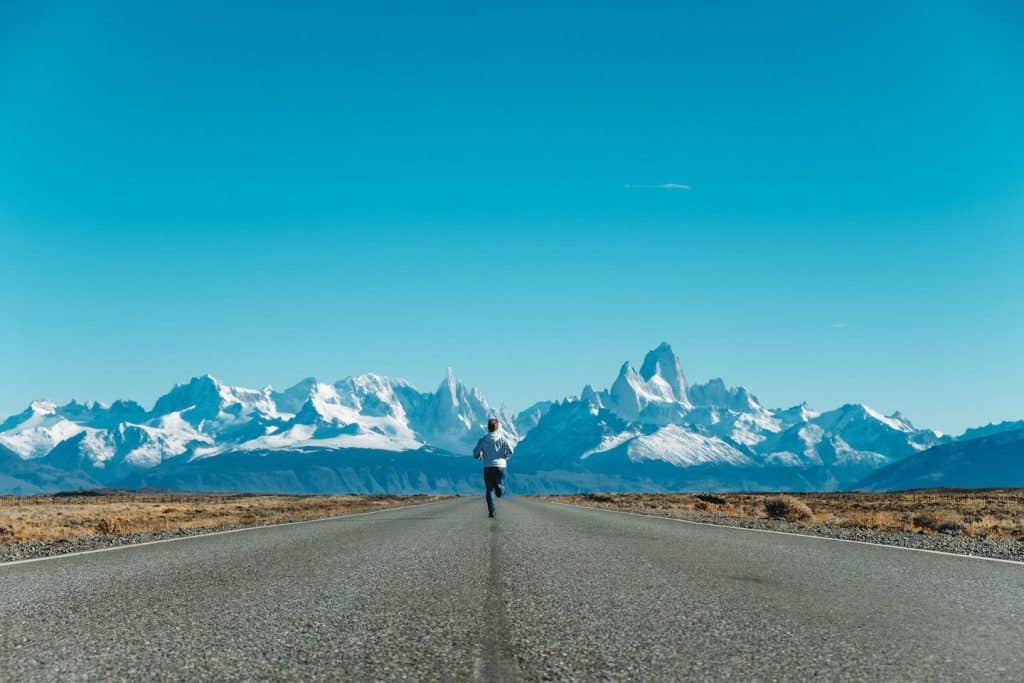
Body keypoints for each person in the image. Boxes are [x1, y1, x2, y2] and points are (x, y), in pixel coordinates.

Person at [473, 417, 514, 518]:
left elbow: (475, 453)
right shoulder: (503, 439)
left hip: (488, 467)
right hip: (501, 467)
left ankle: (492, 511)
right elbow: (511, 451)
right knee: (499, 488)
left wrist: (480, 456)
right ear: (497, 427)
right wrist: (505, 457)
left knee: (489, 490)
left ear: (488, 427)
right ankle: (499, 488)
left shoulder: (482, 440)